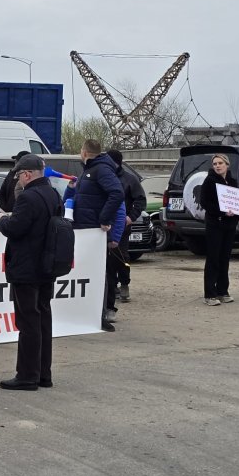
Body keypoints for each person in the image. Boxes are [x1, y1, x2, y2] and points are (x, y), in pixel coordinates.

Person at [0, 155, 60, 390]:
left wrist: (4, 220)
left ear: (26, 174)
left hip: (27, 266)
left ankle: (27, 375)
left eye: (18, 175)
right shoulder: (53, 193)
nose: (18, 179)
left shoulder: (28, 197)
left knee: (28, 321)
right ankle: (43, 373)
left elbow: (16, 228)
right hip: (47, 264)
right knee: (43, 318)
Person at [64, 139, 125, 332]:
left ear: (84, 152)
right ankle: (85, 313)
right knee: (86, 274)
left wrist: (104, 219)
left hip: (94, 232)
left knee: (99, 274)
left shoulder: (101, 170)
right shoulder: (88, 171)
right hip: (84, 230)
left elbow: (117, 193)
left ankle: (100, 314)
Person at [199, 154, 239, 305]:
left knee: (224, 258)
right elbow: (205, 202)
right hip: (215, 224)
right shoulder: (209, 181)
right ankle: (210, 294)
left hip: (229, 226)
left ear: (227, 165)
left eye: (220, 163)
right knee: (213, 258)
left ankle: (223, 291)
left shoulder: (233, 182)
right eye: (215, 163)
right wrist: (222, 212)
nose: (217, 166)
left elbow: (238, 201)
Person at [107, 149, 147, 302]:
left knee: (121, 256)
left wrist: (131, 217)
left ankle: (124, 283)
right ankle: (111, 286)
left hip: (122, 225)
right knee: (108, 258)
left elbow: (140, 200)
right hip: (105, 225)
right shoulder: (104, 177)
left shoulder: (130, 179)